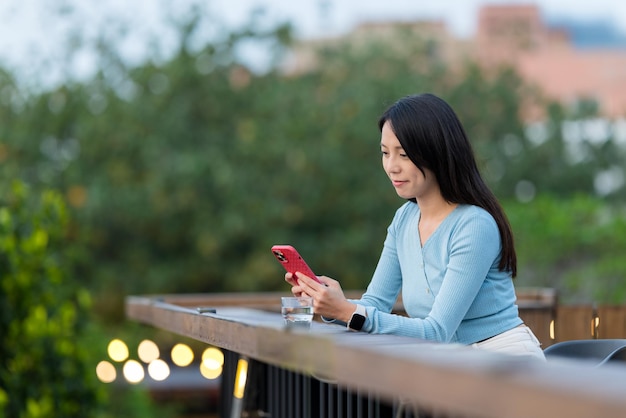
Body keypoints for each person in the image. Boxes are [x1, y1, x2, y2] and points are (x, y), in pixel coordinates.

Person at [286, 93, 545, 361]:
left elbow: (437, 331)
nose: (391, 167)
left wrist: (347, 311)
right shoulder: (404, 220)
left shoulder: (474, 225)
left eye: (404, 155)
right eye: (385, 153)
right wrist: (330, 304)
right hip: (451, 365)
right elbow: (374, 305)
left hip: (505, 362)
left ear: (437, 154)